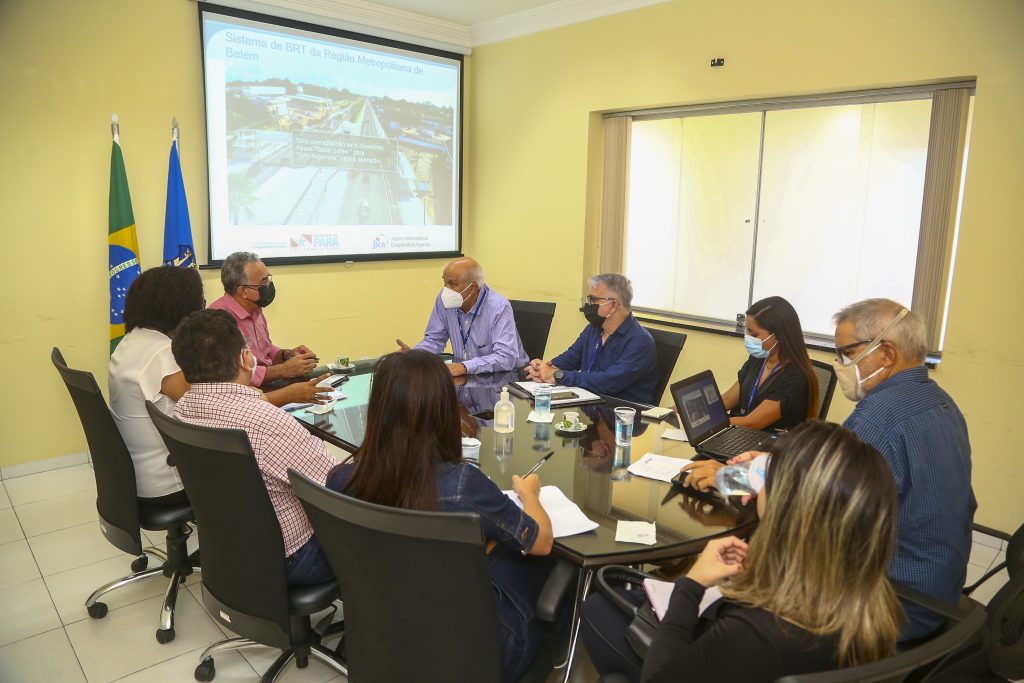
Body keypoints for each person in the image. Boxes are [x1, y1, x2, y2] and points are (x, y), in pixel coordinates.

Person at [580, 421, 903, 683]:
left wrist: (690, 585)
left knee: (598, 608)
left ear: (789, 507)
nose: (756, 486)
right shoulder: (873, 605)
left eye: (769, 475)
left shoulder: (755, 634)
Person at [326, 350, 556, 681]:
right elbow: (541, 541)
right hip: (477, 653)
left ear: (378, 408)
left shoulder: (341, 478)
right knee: (549, 562)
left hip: (385, 634)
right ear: (444, 409)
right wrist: (529, 493)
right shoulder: (462, 486)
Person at [833, 298, 975, 640]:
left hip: (892, 606)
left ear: (887, 354)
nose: (840, 365)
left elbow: (821, 509)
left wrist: (739, 479)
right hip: (939, 589)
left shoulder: (876, 418)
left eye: (847, 353)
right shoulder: (941, 402)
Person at [171, 309, 338, 585]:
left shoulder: (183, 409)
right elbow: (337, 487)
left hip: (228, 545)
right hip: (293, 558)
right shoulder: (267, 422)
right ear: (245, 358)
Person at [109, 266, 204, 504]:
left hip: (136, 474)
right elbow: (208, 406)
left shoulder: (132, 340)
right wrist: (281, 396)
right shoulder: (160, 352)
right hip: (166, 481)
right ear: (181, 307)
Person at [525, 274, 658, 404]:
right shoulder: (594, 329)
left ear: (613, 305)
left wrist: (559, 375)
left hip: (622, 414)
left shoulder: (640, 341)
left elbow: (609, 382)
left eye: (593, 300)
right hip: (589, 403)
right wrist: (544, 368)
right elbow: (570, 358)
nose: (588, 305)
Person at [397, 257, 528, 377]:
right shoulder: (445, 300)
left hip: (505, 378)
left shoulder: (498, 307)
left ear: (473, 288)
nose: (446, 289)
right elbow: (435, 339)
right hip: (467, 377)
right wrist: (413, 356)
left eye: (452, 284)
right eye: (445, 282)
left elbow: (506, 357)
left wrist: (465, 366)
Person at [209, 251, 318, 388]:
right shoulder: (217, 320)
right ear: (243, 291)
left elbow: (263, 350)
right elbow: (235, 373)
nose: (269, 286)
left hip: (268, 386)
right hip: (245, 394)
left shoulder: (255, 309)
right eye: (264, 282)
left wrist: (286, 355)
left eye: (269, 279)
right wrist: (284, 370)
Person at [723, 296, 818, 430]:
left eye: (754, 334)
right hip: (741, 435)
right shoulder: (758, 359)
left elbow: (753, 423)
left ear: (778, 335)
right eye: (747, 330)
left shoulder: (795, 377)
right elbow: (727, 399)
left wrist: (714, 424)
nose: (748, 337)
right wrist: (699, 415)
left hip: (772, 446)